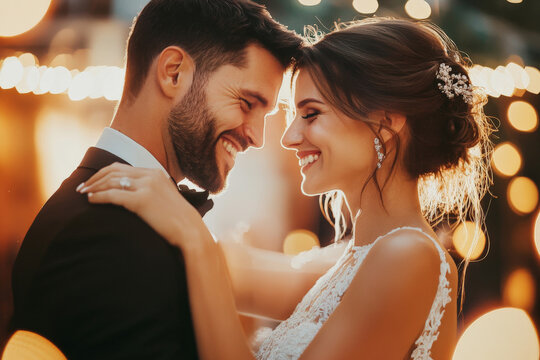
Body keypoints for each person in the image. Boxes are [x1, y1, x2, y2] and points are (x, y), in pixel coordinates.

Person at [79, 18, 493, 359]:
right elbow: (235, 274)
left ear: (386, 122)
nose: (289, 137)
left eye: (311, 114)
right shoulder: (347, 261)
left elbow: (216, 265)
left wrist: (193, 237)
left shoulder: (408, 256)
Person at [10, 0, 302, 358]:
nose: (257, 136)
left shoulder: (129, 219)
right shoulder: (100, 233)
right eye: (246, 103)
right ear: (174, 72)